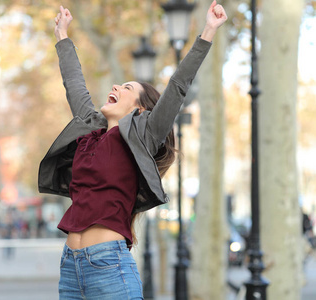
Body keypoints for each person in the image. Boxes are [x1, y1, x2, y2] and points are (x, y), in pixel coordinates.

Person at [38, 2, 227, 299]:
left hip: (109, 267)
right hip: (70, 267)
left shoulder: (144, 136)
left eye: (126, 87)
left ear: (140, 108)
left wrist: (208, 31)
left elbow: (178, 85)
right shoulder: (89, 130)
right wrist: (62, 34)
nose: (116, 86)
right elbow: (74, 83)